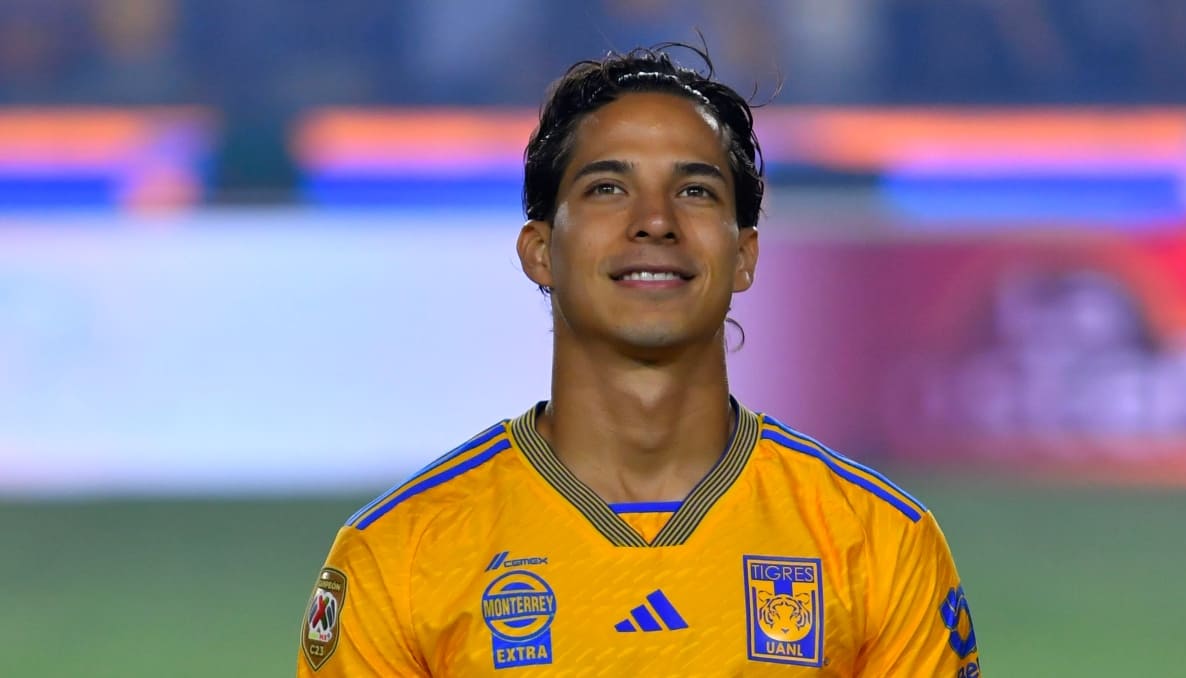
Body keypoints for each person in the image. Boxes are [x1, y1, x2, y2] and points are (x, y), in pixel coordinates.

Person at [297, 43, 982, 677]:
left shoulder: (880, 543)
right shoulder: (399, 554)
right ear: (540, 250)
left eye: (695, 191)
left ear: (744, 255)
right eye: (607, 188)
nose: (655, 221)